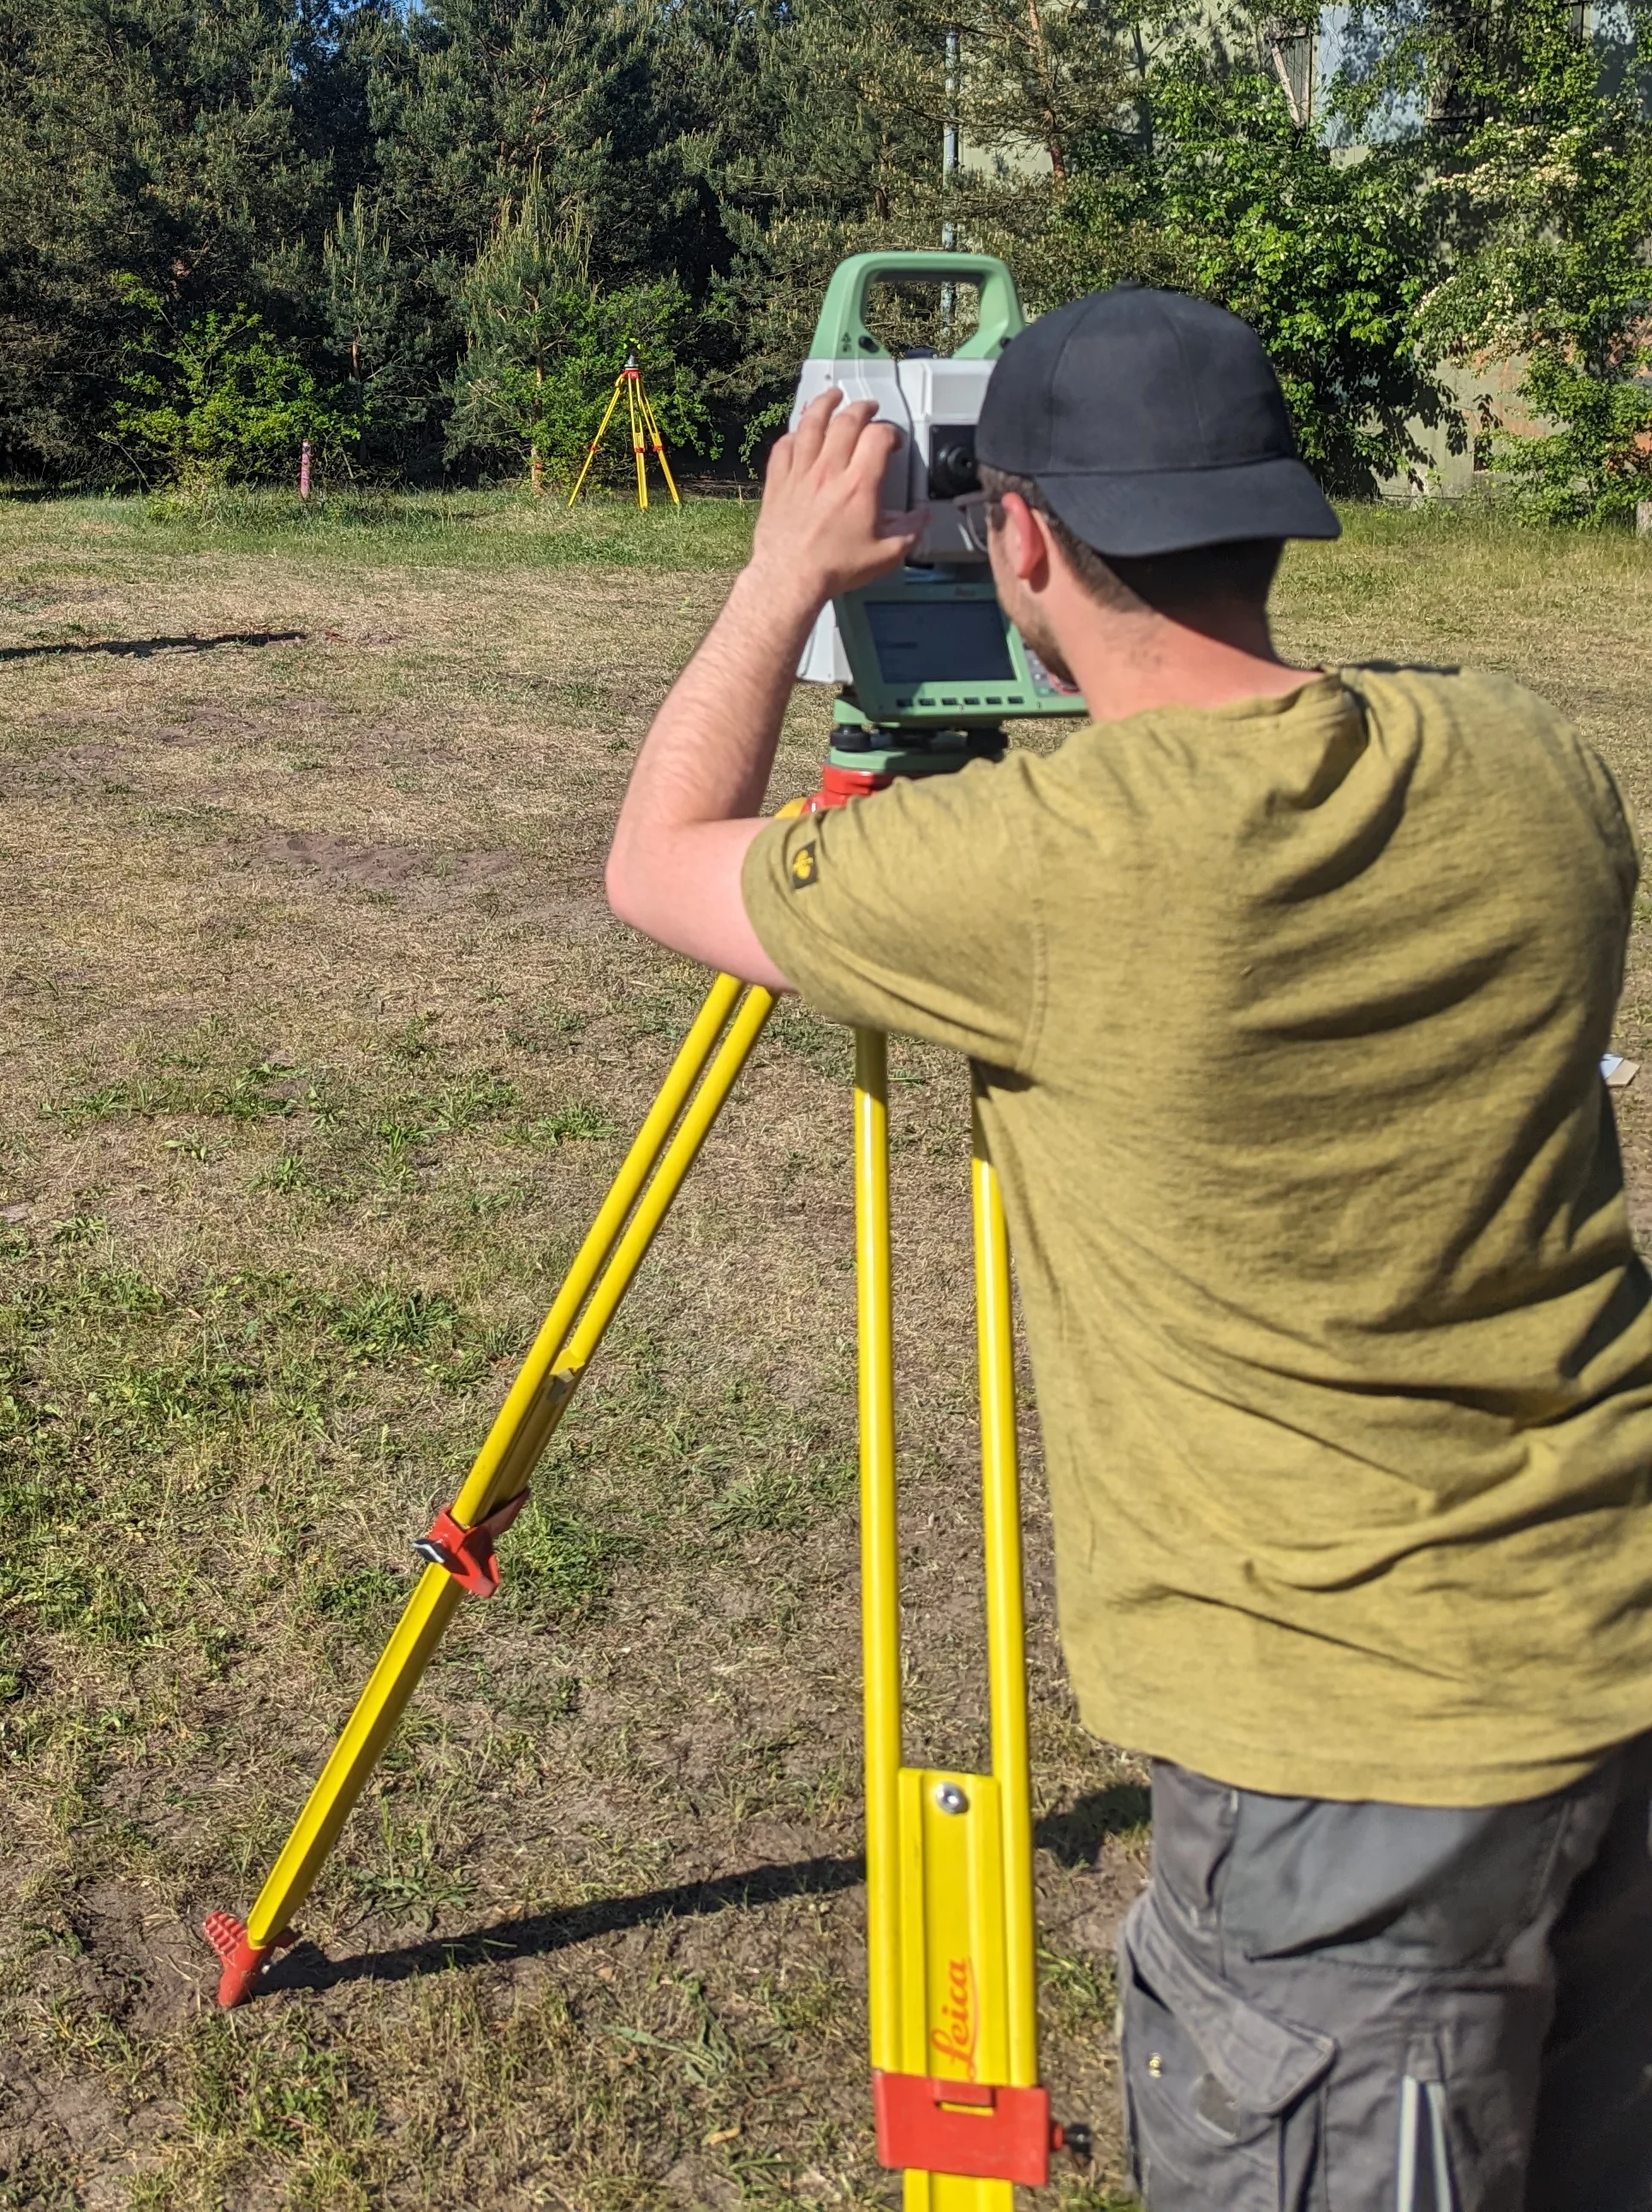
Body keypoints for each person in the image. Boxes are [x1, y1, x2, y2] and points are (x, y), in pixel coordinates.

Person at [603, 285, 1652, 2211]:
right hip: (1614, 1642)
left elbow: (655, 859)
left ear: (1011, 534)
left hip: (1345, 1751)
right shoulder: (1530, 765)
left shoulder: (1039, 869)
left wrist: (777, 580)